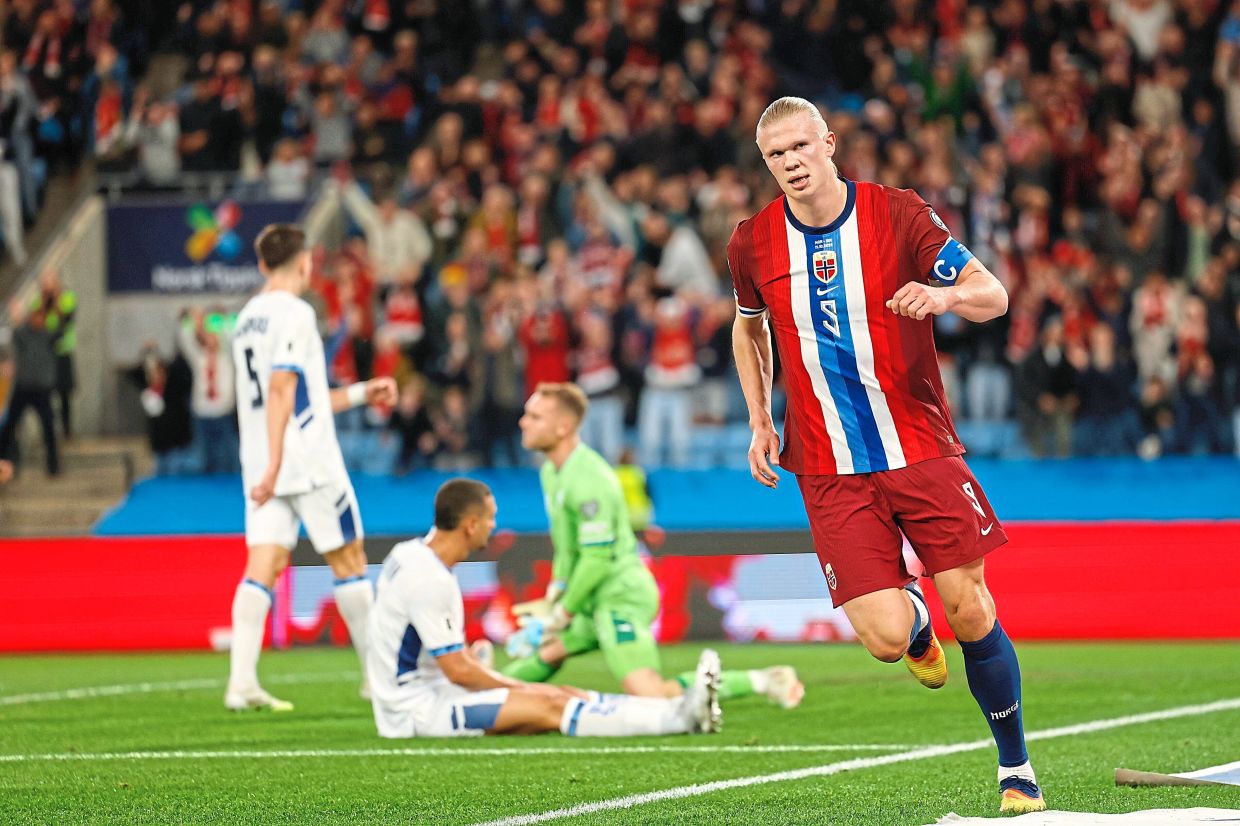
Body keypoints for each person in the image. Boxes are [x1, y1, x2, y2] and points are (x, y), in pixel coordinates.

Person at [729, 97, 1044, 814]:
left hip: (919, 447)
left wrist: (943, 297)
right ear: (767, 163)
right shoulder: (752, 243)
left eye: (802, 146)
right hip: (829, 466)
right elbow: (749, 331)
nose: (792, 163)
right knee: (884, 638)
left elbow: (992, 294)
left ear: (829, 142)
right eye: (777, 155)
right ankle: (914, 622)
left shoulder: (897, 214)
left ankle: (1015, 768)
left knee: (970, 606)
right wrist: (757, 418)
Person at [502, 382, 804, 709]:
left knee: (651, 696)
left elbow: (597, 560)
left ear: (563, 427)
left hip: (619, 597)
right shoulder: (552, 471)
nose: (523, 422)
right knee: (548, 653)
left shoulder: (590, 480)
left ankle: (764, 680)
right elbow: (566, 547)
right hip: (592, 596)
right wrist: (555, 594)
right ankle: (478, 696)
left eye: (534, 416)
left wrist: (562, 612)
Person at [367, 477, 722, 739]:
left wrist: (475, 664)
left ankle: (679, 709)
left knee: (563, 694)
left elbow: (405, 641)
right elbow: (459, 672)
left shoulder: (408, 553)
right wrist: (511, 685)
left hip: (429, 693)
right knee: (549, 703)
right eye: (490, 519)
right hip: (419, 712)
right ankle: (682, 718)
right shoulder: (431, 580)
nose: (494, 527)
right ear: (470, 525)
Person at [227, 223, 398, 712]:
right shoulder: (297, 313)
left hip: (260, 459)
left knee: (264, 565)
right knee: (349, 561)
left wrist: (364, 391)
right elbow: (283, 389)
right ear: (304, 263)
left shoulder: (246, 321)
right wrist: (281, 461)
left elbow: (304, 398)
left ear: (262, 265)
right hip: (304, 460)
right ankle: (376, 680)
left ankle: (241, 682)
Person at [0, 299, 59, 476]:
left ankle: (53, 466)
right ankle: (4, 460)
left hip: (42, 389)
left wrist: (55, 307)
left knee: (48, 426)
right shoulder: (22, 333)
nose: (38, 320)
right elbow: (14, 331)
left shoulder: (49, 335)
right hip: (23, 387)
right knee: (9, 426)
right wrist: (17, 316)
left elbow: (62, 330)